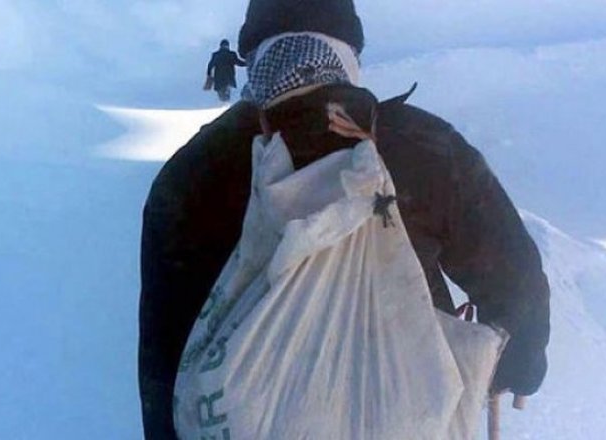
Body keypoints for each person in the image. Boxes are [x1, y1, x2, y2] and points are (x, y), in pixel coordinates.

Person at [140, 0, 550, 438]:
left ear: (254, 55)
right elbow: (514, 277)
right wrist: (517, 364)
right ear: (349, 53)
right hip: (404, 411)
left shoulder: (192, 171)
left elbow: (165, 351)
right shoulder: (423, 146)